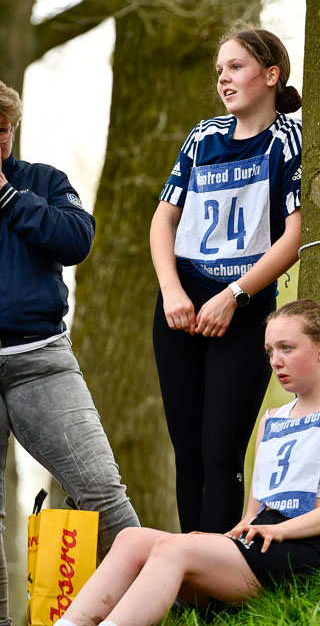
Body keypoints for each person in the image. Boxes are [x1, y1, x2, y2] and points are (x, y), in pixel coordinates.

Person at [53, 299, 320, 626]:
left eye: (287, 348)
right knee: (131, 539)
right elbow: (254, 514)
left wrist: (279, 530)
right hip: (262, 545)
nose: (276, 361)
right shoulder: (272, 419)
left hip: (313, 548)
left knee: (174, 548)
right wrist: (223, 541)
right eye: (270, 351)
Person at [151, 26, 303, 533]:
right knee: (187, 450)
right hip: (181, 303)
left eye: (236, 67)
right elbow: (164, 220)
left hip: (245, 306)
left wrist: (235, 296)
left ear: (271, 75)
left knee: (221, 449)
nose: (223, 78)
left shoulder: (290, 140)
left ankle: (218, 570)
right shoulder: (203, 137)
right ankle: (190, 569)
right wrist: (172, 291)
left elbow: (296, 235)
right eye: (220, 69)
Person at [0, 81, 140, 625]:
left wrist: (7, 195)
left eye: (2, 131)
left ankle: (155, 605)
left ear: (13, 130)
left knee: (101, 489)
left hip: (42, 362)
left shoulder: (43, 181)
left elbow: (76, 240)